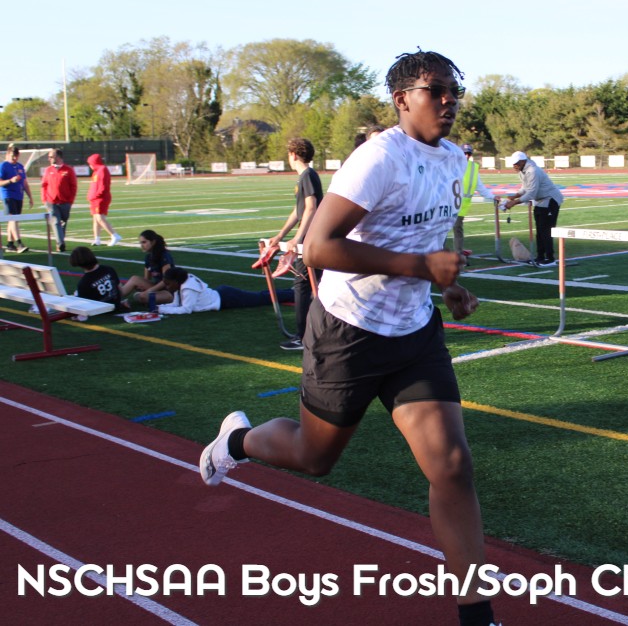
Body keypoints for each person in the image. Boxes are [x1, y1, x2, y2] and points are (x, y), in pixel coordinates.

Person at [200, 50, 498, 626]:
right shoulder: (378, 158)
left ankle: (477, 617)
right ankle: (236, 442)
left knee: (452, 466)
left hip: (414, 332)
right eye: (435, 90)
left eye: (454, 92)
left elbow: (428, 237)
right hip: (349, 331)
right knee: (315, 458)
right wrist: (421, 267)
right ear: (402, 99)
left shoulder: (453, 159)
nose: (449, 101)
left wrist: (448, 285)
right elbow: (317, 247)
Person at [265, 138, 324, 350]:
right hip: (309, 237)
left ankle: (303, 337)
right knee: (310, 285)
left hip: (310, 240)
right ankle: (312, 333)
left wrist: (297, 238)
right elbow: (298, 211)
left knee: (303, 286)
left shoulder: (307, 175)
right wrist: (280, 235)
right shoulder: (305, 177)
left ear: (293, 154)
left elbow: (311, 207)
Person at [502, 152, 564, 265]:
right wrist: (515, 196)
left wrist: (514, 202)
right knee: (539, 231)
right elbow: (525, 188)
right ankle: (540, 256)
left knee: (546, 230)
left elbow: (531, 193)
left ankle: (550, 258)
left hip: (550, 200)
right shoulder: (523, 171)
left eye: (516, 163)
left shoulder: (533, 171)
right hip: (540, 201)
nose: (514, 166)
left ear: (522, 161)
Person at [156, 266, 292, 314]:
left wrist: (161, 310)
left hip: (227, 298)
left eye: (168, 284)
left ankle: (292, 293)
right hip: (223, 294)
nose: (167, 287)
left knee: (260, 298)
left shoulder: (188, 289)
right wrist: (159, 308)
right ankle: (290, 291)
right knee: (259, 296)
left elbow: (186, 309)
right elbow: (176, 304)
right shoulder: (182, 285)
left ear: (176, 282)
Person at [450, 144, 495, 255]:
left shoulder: (473, 168)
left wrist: (493, 197)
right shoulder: (451, 165)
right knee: (441, 229)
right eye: (464, 153)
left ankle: (458, 253)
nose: (466, 156)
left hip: (461, 206)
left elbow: (480, 187)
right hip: (448, 203)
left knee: (457, 229)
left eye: (468, 154)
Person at [119, 229, 175, 306]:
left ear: (153, 242)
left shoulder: (164, 256)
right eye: (141, 243)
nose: (142, 246)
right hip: (157, 288)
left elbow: (166, 280)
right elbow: (146, 279)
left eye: (144, 242)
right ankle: (114, 297)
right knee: (135, 279)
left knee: (141, 296)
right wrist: (141, 287)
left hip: (168, 291)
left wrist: (149, 290)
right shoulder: (148, 257)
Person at [40, 148, 78, 253]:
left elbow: (73, 186)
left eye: (51, 157)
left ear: (58, 157)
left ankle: (61, 241)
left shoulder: (68, 170)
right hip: (51, 201)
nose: (49, 159)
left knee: (63, 222)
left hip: (65, 202)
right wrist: (44, 199)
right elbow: (44, 185)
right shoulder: (48, 170)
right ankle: (60, 243)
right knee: (56, 221)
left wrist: (70, 200)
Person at [68, 246, 127, 311]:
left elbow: (83, 305)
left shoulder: (84, 283)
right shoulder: (109, 269)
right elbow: (119, 289)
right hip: (117, 304)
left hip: (101, 311)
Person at [0, 144, 33, 253]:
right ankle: (19, 243)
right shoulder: (3, 166)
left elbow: (25, 183)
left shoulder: (20, 166)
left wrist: (30, 196)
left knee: (14, 220)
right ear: (8, 154)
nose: (14, 158)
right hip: (8, 195)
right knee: (13, 218)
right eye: (12, 156)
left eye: (16, 156)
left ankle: (10, 244)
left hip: (19, 195)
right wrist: (10, 181)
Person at [86, 154, 122, 247]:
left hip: (101, 198)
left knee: (100, 218)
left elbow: (103, 186)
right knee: (95, 219)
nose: (90, 165)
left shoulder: (102, 169)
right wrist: (91, 195)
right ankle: (97, 239)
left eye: (90, 163)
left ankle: (114, 235)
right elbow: (94, 185)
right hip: (95, 198)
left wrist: (96, 195)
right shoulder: (96, 171)